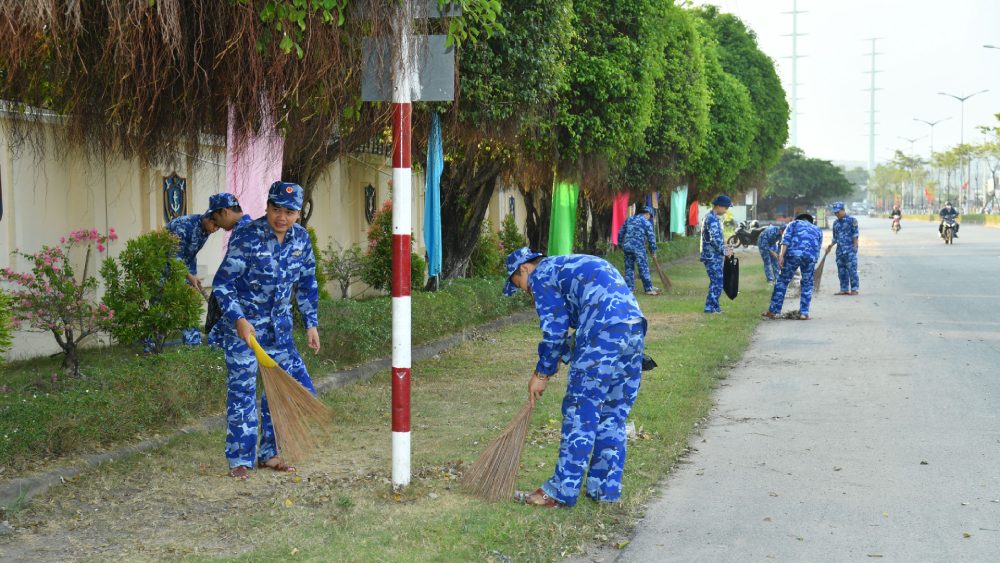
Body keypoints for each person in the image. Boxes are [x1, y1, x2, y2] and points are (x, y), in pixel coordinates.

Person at [502, 247, 646, 508]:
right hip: (633, 328)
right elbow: (576, 320)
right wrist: (559, 356)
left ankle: (560, 492)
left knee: (581, 411)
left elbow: (555, 331)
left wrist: (541, 374)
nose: (526, 292)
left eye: (520, 285)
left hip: (602, 330)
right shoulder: (567, 266)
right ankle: (604, 491)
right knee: (612, 414)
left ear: (524, 269)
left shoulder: (541, 276)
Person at [210, 181, 321, 480]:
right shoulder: (247, 235)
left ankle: (269, 453)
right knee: (243, 393)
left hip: (280, 332)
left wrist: (311, 323)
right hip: (244, 332)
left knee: (289, 391)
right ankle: (240, 459)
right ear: (267, 207)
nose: (280, 217)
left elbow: (308, 282)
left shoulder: (301, 240)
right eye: (275, 209)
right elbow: (223, 283)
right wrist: (238, 319)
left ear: (298, 213)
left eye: (288, 211)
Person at [164, 198, 225, 344]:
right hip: (164, 268)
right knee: (161, 304)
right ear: (207, 218)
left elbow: (190, 254)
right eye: (214, 225)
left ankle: (192, 341)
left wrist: (193, 275)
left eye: (218, 227)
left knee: (189, 303)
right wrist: (189, 275)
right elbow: (173, 256)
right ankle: (152, 345)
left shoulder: (206, 230)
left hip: (185, 267)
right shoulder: (184, 226)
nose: (215, 229)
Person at [763, 213, 823, 321]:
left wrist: (781, 255)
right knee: (807, 284)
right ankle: (804, 313)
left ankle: (773, 311)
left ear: (799, 219)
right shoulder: (817, 229)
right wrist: (814, 261)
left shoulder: (793, 224)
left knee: (782, 281)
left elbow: (785, 240)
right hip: (810, 257)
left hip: (793, 255)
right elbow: (818, 247)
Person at [700, 195, 733, 314]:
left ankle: (715, 307)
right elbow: (714, 239)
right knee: (717, 282)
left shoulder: (711, 217)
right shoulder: (712, 219)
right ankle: (709, 308)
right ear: (718, 206)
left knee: (717, 281)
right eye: (726, 208)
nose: (726, 210)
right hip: (711, 256)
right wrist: (725, 251)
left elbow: (718, 238)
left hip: (713, 255)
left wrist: (725, 248)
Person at [617, 205, 660, 296]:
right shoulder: (646, 222)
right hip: (638, 248)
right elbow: (651, 238)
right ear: (647, 214)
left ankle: (629, 289)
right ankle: (648, 288)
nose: (649, 218)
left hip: (627, 247)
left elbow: (621, 232)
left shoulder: (629, 219)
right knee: (643, 268)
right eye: (650, 216)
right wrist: (653, 251)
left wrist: (620, 245)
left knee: (629, 268)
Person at [828, 202, 860, 295]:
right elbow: (835, 237)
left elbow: (855, 235)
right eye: (835, 213)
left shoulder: (852, 220)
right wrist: (830, 246)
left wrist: (854, 248)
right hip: (839, 251)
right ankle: (844, 289)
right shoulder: (835, 223)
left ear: (843, 210)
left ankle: (854, 289)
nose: (836, 214)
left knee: (852, 270)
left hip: (850, 250)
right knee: (841, 271)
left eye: (838, 212)